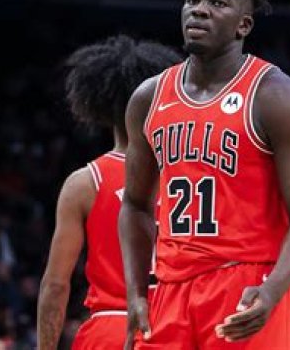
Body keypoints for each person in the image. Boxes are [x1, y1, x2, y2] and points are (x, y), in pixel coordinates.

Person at [119, 0, 290, 350]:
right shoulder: (148, 97)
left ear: (243, 25)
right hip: (170, 290)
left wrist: (273, 290)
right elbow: (134, 204)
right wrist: (136, 292)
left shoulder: (277, 97)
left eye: (218, 2)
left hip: (246, 285)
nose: (199, 9)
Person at [37, 34, 182, 349]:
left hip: (111, 329)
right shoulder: (193, 178)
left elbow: (56, 285)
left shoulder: (84, 183)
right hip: (175, 329)